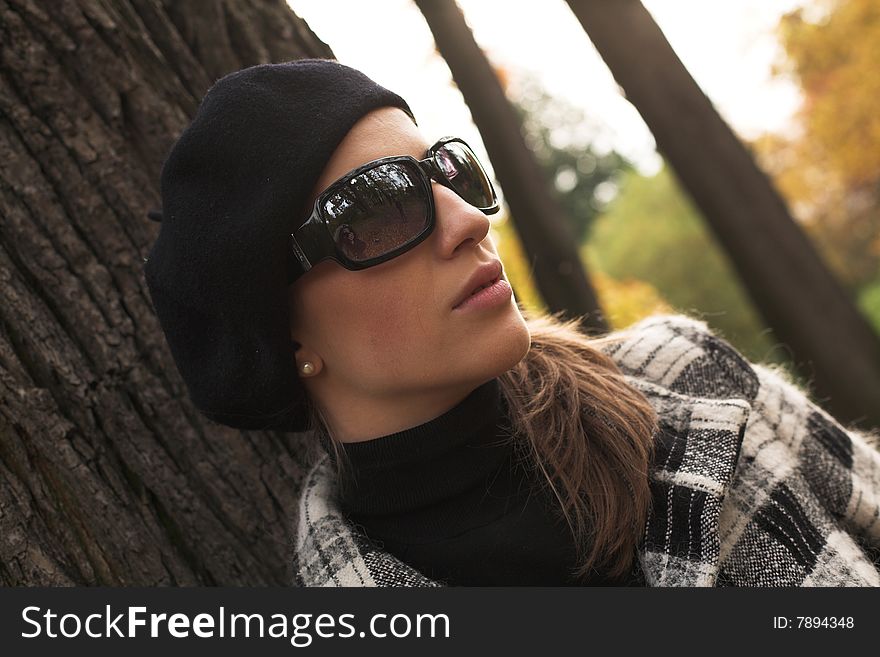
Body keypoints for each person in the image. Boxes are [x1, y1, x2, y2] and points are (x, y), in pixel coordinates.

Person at [143, 59, 880, 587]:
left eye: (448, 172)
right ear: (286, 334)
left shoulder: (685, 377)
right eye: (378, 208)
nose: (468, 220)